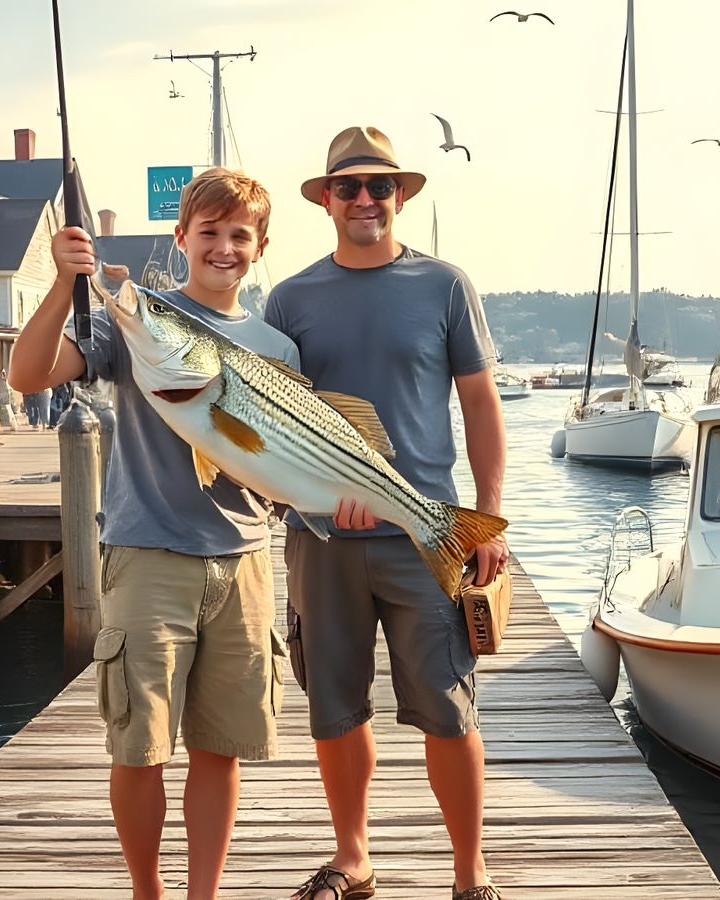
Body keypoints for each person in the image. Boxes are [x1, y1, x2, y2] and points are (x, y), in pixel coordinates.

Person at [7, 167, 295, 900]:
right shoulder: (136, 321)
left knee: (220, 749)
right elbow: (27, 375)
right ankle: (147, 891)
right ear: (182, 237)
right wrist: (58, 283)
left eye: (239, 235)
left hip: (246, 561)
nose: (223, 247)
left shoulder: (276, 348)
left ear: (259, 247)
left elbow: (284, 467)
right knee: (137, 747)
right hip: (146, 556)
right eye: (209, 232)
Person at [266, 126, 508, 900]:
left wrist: (490, 515)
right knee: (334, 704)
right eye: (349, 187)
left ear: (400, 195)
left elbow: (479, 402)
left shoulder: (444, 284)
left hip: (425, 534)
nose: (365, 199)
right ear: (327, 200)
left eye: (379, 186)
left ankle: (471, 875)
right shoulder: (289, 298)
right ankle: (354, 856)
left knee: (447, 705)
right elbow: (274, 419)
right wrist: (291, 494)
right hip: (320, 538)